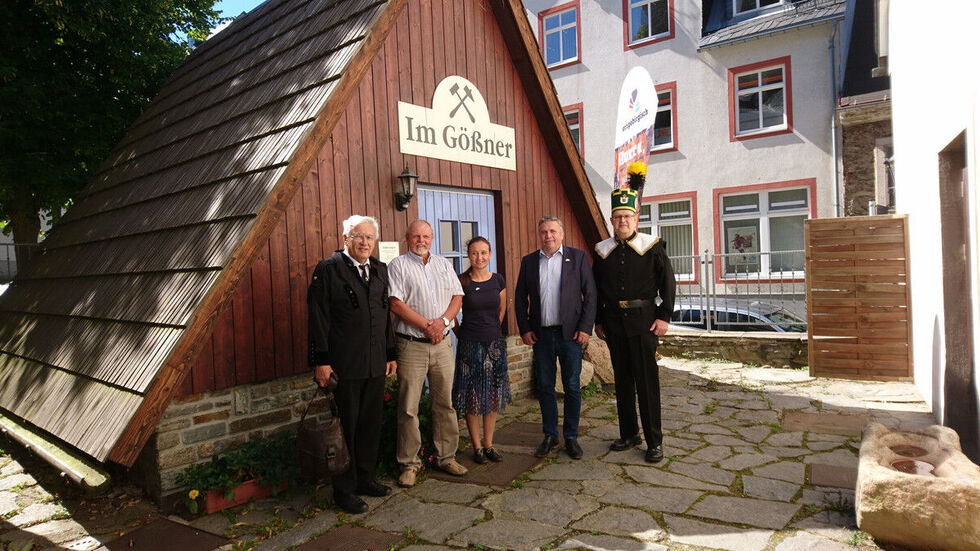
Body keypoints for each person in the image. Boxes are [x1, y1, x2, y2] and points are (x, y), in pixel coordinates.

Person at [307, 215, 398, 515]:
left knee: (370, 425)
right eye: (358, 236)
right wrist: (321, 362)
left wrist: (390, 353)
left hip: (374, 364)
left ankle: (365, 479)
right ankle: (344, 491)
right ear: (345, 238)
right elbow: (318, 320)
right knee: (345, 427)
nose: (364, 242)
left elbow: (385, 317)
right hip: (344, 366)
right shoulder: (328, 270)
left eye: (370, 238)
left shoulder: (380, 269)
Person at [592, 162, 676, 463]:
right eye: (617, 217)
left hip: (644, 324)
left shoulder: (652, 246)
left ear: (635, 217)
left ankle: (655, 441)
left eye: (626, 216)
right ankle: (629, 434)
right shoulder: (603, 251)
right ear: (612, 220)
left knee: (647, 382)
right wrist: (599, 321)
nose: (622, 221)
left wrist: (664, 316)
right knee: (623, 382)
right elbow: (596, 289)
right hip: (614, 325)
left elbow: (668, 282)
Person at [388, 220, 468, 487]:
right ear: (407, 238)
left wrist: (443, 323)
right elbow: (396, 304)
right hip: (412, 346)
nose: (421, 240)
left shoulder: (444, 264)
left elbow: (458, 296)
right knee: (408, 407)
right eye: (416, 236)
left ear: (432, 239)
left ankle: (446, 457)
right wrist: (427, 326)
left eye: (426, 236)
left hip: (442, 344)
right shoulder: (397, 265)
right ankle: (409, 464)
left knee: (444, 403)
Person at [515, 216, 597, 460]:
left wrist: (585, 328)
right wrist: (525, 328)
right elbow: (520, 299)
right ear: (539, 235)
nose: (548, 236)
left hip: (570, 335)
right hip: (541, 336)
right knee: (545, 387)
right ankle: (550, 435)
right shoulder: (529, 262)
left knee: (572, 386)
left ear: (561, 234)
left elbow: (590, 295)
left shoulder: (578, 258)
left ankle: (570, 437)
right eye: (543, 232)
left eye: (552, 231)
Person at [452, 237, 511, 464]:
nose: (480, 257)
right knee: (472, 395)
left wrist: (491, 332)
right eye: (475, 253)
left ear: (490, 254)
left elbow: (501, 311)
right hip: (469, 345)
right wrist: (464, 334)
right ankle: (476, 447)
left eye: (484, 253)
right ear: (469, 255)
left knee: (492, 394)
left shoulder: (498, 280)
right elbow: (453, 314)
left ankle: (489, 445)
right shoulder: (461, 281)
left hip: (494, 344)